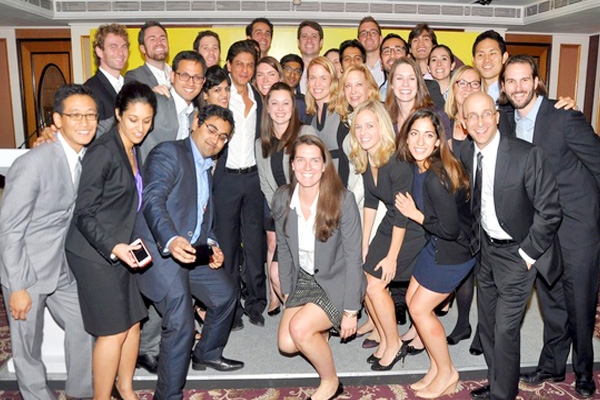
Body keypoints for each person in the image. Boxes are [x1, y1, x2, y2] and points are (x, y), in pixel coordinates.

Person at [498, 54, 600, 398]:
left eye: (524, 80)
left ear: (537, 81)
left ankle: (584, 370)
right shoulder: (505, 121)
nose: (518, 87)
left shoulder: (564, 116)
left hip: (577, 222)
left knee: (581, 301)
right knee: (552, 297)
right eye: (511, 81)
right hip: (541, 225)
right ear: (503, 87)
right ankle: (553, 365)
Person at [133, 105, 243, 399]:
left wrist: (214, 245)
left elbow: (202, 219)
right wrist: (170, 240)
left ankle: (206, 351)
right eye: (211, 130)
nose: (216, 140)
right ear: (196, 122)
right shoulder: (169, 153)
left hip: (192, 252)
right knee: (181, 324)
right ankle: (168, 396)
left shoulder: (206, 166)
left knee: (225, 295)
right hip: (162, 252)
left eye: (223, 137)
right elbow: (152, 200)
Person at [460, 91, 562, 400]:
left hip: (519, 252)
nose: (479, 121)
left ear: (496, 116)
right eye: (472, 116)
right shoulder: (467, 154)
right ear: (463, 124)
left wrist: (528, 254)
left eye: (485, 113)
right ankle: (498, 381)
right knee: (488, 325)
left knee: (505, 329)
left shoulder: (525, 154)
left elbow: (550, 211)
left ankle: (503, 395)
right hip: (486, 252)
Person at [0, 84, 96, 400]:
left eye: (91, 115)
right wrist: (17, 287)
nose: (85, 123)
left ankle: (81, 392)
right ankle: (37, 395)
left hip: (61, 267)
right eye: (76, 115)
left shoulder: (84, 157)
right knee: (27, 345)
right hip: (25, 269)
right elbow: (10, 230)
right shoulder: (32, 164)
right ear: (57, 120)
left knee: (83, 326)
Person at [64, 81, 155, 400]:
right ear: (118, 113)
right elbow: (84, 213)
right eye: (133, 119)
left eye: (146, 120)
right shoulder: (103, 152)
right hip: (93, 252)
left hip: (122, 248)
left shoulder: (132, 147)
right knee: (113, 330)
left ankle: (125, 388)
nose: (140, 127)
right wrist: (113, 246)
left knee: (134, 323)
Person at [273, 134, 365, 400]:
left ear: (325, 165)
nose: (307, 167)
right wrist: (288, 292)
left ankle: (330, 382)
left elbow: (353, 259)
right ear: (292, 165)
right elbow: (284, 249)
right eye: (300, 160)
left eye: (314, 161)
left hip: (338, 280)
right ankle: (320, 331)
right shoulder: (282, 199)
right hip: (304, 278)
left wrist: (351, 311)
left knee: (299, 330)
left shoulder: (342, 200)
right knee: (287, 344)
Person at [394, 109, 475, 398]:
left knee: (418, 309)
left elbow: (450, 230)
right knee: (409, 299)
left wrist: (415, 215)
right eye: (414, 133)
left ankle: (448, 372)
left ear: (439, 140)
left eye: (428, 134)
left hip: (454, 250)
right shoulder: (423, 167)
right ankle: (435, 368)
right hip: (436, 243)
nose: (419, 141)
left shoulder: (435, 176)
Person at [349, 100, 425, 371]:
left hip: (411, 229)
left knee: (375, 284)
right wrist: (364, 244)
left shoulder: (396, 162)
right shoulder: (368, 157)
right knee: (365, 274)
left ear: (382, 126)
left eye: (370, 125)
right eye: (358, 127)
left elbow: (404, 214)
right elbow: (371, 201)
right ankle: (383, 336)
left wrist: (392, 257)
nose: (363, 131)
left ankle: (393, 344)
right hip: (390, 222)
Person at [214, 39, 266, 330]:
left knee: (255, 245)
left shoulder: (259, 97)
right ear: (229, 66)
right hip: (227, 181)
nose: (245, 69)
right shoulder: (221, 97)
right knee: (228, 247)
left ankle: (256, 303)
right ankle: (230, 309)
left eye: (250, 64)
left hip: (253, 179)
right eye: (239, 64)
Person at [256, 82, 317, 317]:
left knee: (303, 259)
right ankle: (289, 306)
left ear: (293, 107)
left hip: (308, 209)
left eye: (286, 103)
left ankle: (311, 310)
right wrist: (282, 211)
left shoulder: (306, 133)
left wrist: (298, 210)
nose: (280, 109)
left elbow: (319, 173)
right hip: (278, 208)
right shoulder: (260, 143)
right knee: (276, 261)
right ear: (268, 109)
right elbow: (265, 183)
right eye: (274, 104)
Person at [442, 65, 483, 347]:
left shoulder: (487, 120)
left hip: (485, 206)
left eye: (474, 83)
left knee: (487, 273)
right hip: (456, 208)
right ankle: (463, 323)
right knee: (464, 270)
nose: (467, 88)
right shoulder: (443, 121)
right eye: (461, 83)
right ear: (453, 88)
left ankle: (484, 329)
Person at [305, 57, 350, 188]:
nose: (317, 84)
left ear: (333, 81)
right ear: (307, 81)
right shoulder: (310, 117)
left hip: (341, 189)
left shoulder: (344, 113)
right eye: (313, 78)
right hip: (317, 189)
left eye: (323, 78)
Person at [384, 57, 451, 138]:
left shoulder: (437, 117)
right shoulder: (385, 119)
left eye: (411, 78)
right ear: (391, 84)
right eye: (399, 78)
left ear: (418, 84)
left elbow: (446, 150)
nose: (405, 84)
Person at [85, 23, 129, 127]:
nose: (120, 53)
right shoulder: (90, 90)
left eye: (124, 47)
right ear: (99, 51)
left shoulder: (130, 84)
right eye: (113, 47)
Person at [125, 21, 171, 96]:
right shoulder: (134, 77)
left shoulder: (178, 73)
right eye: (152, 39)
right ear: (142, 48)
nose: (159, 43)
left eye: (163, 39)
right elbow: (132, 102)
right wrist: (150, 95)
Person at [378, 33, 409, 99]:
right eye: (387, 51)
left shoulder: (422, 90)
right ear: (381, 62)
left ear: (408, 58)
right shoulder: (377, 96)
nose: (392, 55)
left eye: (398, 50)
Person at [357, 16, 385, 87]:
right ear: (358, 41)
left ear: (381, 39)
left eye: (373, 33)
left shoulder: (389, 66)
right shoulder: (355, 68)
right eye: (363, 34)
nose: (368, 36)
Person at [297, 20, 324, 94]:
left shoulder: (329, 72)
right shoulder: (289, 73)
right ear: (298, 43)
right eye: (304, 36)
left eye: (314, 36)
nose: (309, 40)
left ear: (321, 43)